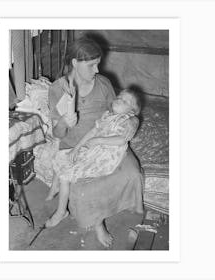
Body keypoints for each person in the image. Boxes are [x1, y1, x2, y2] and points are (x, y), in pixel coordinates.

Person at [47, 36, 144, 248]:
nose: (97, 69)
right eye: (92, 65)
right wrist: (64, 121)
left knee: (133, 172)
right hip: (76, 145)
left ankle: (121, 205)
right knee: (86, 188)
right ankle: (97, 223)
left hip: (106, 141)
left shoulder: (103, 84)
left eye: (98, 63)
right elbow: (58, 133)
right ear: (74, 63)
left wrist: (132, 122)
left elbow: (119, 112)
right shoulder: (58, 89)